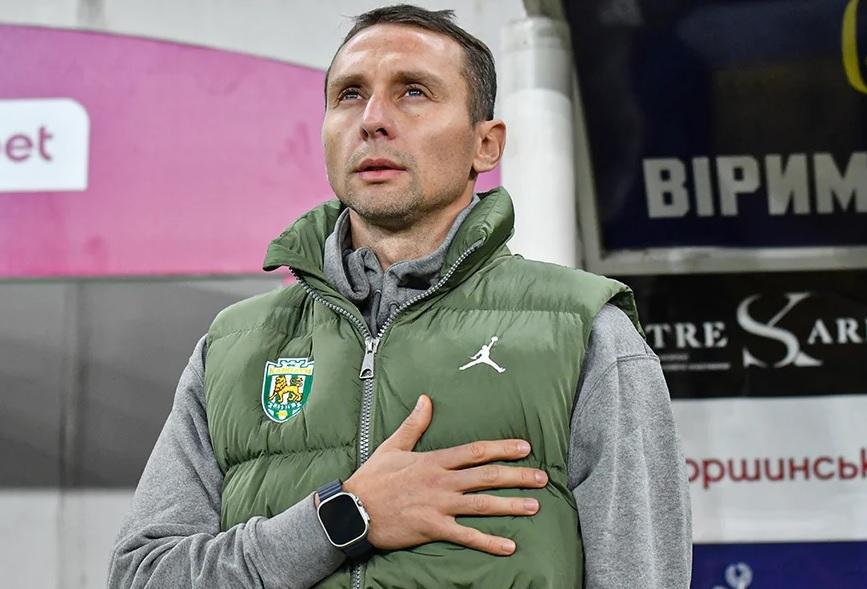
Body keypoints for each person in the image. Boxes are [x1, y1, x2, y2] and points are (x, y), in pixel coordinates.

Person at [108, 4, 691, 588]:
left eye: (413, 91)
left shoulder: (585, 331)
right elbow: (142, 577)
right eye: (350, 94)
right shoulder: (233, 347)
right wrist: (341, 518)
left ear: (486, 146)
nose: (373, 120)